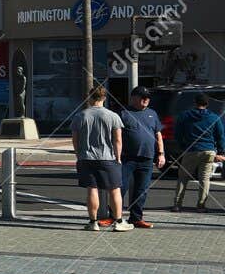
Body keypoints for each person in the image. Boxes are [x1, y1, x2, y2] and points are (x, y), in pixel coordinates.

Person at [72, 87, 130, 231]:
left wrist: (79, 154)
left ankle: (93, 222)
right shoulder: (113, 116)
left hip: (86, 157)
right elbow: (118, 140)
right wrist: (118, 157)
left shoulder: (81, 116)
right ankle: (118, 221)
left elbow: (75, 139)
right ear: (104, 98)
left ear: (90, 97)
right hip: (108, 157)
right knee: (114, 190)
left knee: (92, 189)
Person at [118, 87, 163, 228]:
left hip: (147, 158)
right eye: (142, 96)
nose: (145, 99)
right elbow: (115, 135)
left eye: (147, 97)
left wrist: (161, 153)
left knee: (142, 189)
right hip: (127, 158)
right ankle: (114, 217)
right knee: (120, 188)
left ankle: (136, 218)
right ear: (133, 98)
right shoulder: (123, 113)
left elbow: (158, 134)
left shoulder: (152, 114)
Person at [172, 92, 225, 212]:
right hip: (209, 150)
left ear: (195, 103)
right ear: (207, 104)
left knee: (183, 178)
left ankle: (177, 204)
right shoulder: (214, 117)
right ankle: (201, 205)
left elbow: (178, 134)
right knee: (205, 179)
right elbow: (220, 136)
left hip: (192, 149)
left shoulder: (184, 116)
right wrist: (221, 151)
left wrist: (183, 146)